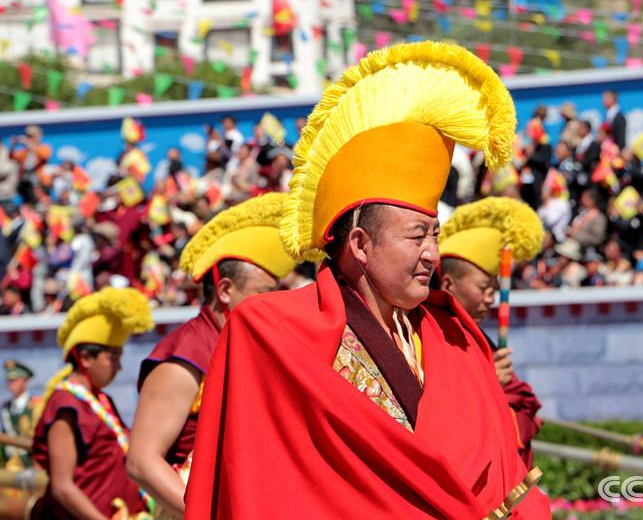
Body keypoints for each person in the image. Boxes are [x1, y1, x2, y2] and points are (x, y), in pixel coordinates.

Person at [185, 42, 551, 519]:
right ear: (359, 244)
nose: (432, 255)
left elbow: (505, 476)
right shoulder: (273, 333)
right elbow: (259, 482)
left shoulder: (455, 337)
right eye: (417, 235)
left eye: (436, 235)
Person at [127, 193, 296, 518]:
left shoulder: (241, 345)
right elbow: (142, 462)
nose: (273, 305)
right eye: (263, 294)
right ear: (225, 291)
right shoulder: (186, 356)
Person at [437, 197, 545, 468]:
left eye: (494, 290)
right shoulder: (435, 333)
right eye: (483, 287)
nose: (489, 299)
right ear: (449, 283)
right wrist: (490, 383)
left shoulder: (481, 338)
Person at [32, 287, 154, 520]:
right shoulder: (65, 405)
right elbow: (62, 487)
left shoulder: (101, 400)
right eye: (113, 358)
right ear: (85, 357)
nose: (118, 367)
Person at [0, 359, 40, 469]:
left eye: (14, 380)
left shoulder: (36, 406)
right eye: (9, 381)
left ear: (25, 381)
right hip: (11, 465)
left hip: (31, 464)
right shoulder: (5, 408)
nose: (11, 384)